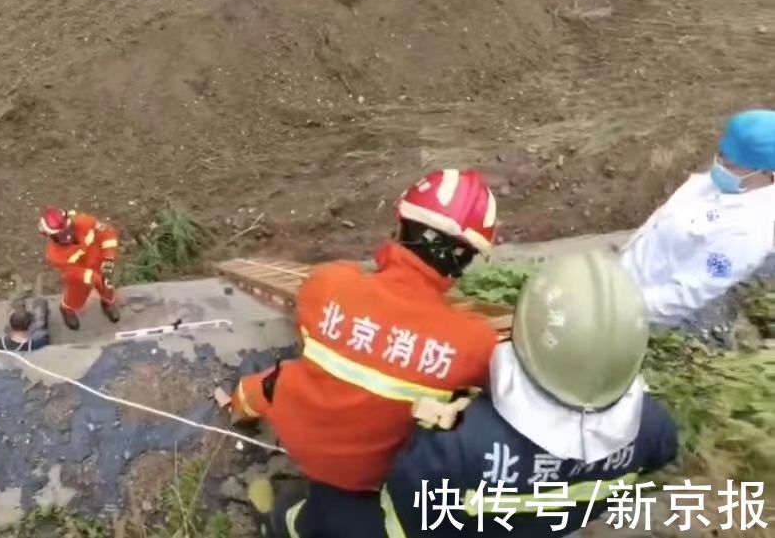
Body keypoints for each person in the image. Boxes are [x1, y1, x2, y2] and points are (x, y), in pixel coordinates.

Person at [261, 249, 681, 538]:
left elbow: (404, 509)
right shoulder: (654, 429)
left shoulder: (458, 442)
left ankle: (288, 523)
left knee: (329, 503)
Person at [228, 169, 503, 496]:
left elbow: (315, 328)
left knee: (275, 380)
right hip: (380, 476)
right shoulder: (474, 343)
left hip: (301, 443)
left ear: (400, 224)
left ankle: (237, 410)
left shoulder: (330, 283)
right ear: (465, 260)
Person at [618, 109, 775, 344]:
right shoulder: (724, 182)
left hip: (634, 317)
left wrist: (613, 309)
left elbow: (683, 295)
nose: (720, 165)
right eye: (721, 155)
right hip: (620, 278)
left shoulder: (745, 235)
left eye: (731, 164)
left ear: (765, 173)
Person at [38, 206, 121, 330]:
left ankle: (107, 303)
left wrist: (108, 258)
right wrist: (95, 278)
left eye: (66, 230)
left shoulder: (85, 221)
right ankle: (67, 309)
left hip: (99, 264)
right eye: (59, 234)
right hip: (80, 277)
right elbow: (72, 273)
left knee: (107, 288)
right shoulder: (55, 254)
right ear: (50, 236)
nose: (66, 236)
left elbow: (107, 233)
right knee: (75, 296)